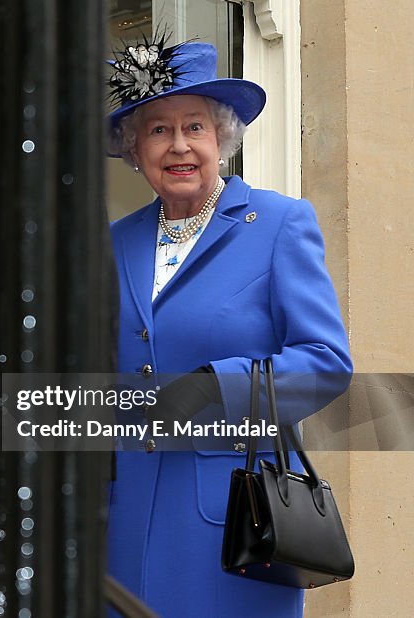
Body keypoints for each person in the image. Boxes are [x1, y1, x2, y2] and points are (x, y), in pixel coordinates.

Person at [105, 40, 352, 616]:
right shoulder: (114, 242)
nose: (180, 145)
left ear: (222, 139)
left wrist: (215, 385)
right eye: (158, 130)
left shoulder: (278, 224)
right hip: (122, 520)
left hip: (233, 528)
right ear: (136, 150)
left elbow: (325, 363)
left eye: (195, 126)